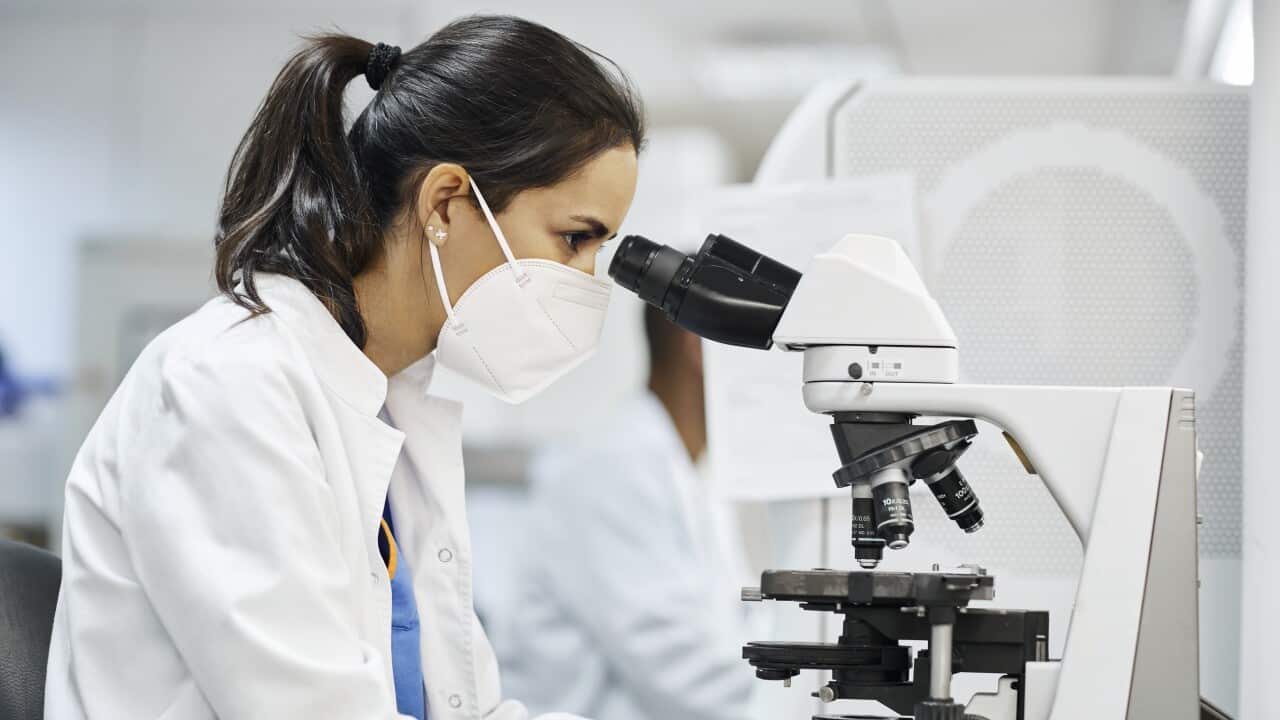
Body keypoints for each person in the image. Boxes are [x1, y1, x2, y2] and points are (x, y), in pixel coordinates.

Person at [45, 15, 642, 720]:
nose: (585, 281)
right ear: (445, 201)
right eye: (574, 240)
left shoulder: (395, 403)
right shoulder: (230, 382)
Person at [495, 304, 759, 720]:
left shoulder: (691, 472)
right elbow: (677, 669)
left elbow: (732, 631)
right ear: (700, 346)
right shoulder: (612, 465)